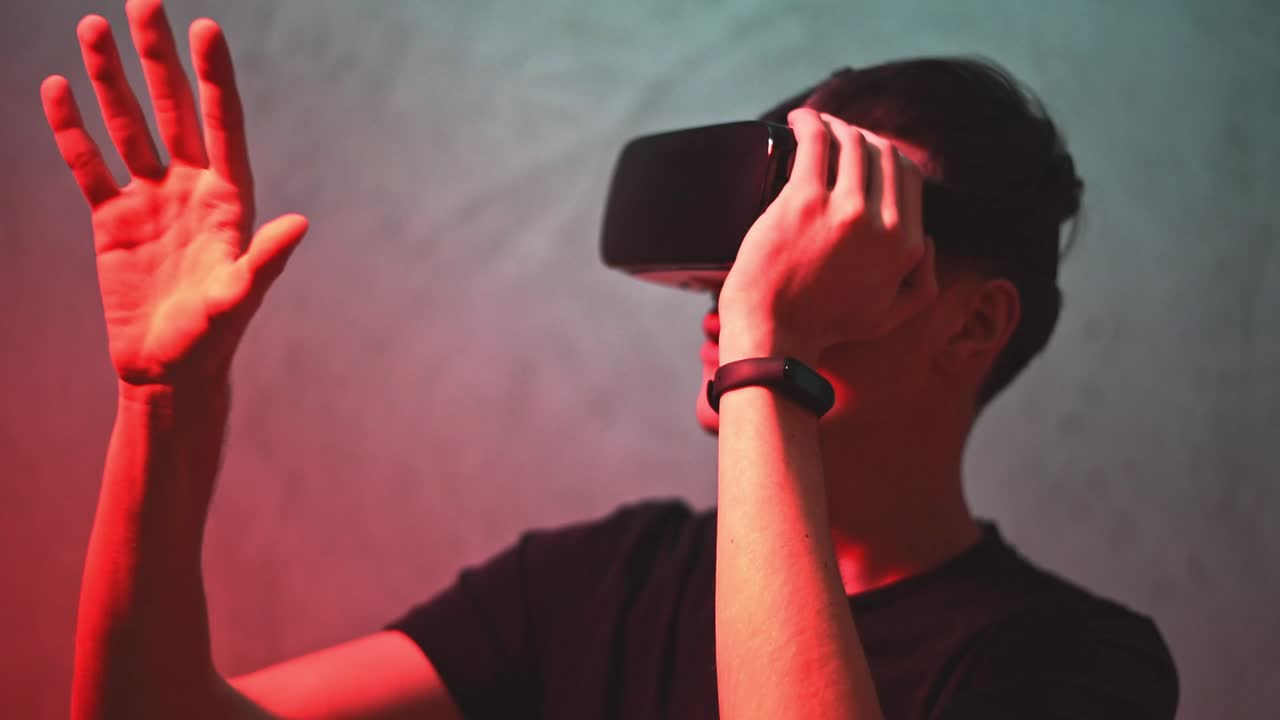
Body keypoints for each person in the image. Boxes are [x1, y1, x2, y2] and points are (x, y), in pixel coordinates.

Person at [47, 1, 1177, 718]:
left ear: (971, 324)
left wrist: (767, 361)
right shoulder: (603, 584)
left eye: (837, 226)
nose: (749, 270)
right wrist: (163, 403)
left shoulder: (1071, 664)